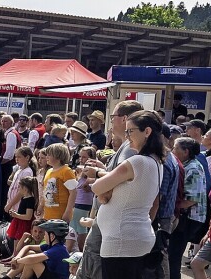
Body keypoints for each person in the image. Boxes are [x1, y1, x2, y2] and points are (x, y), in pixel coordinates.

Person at [88, 110, 164, 279]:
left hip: (121, 240)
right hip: (134, 237)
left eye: (131, 131)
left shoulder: (137, 161)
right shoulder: (156, 161)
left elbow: (97, 187)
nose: (127, 135)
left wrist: (103, 186)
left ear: (147, 131)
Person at [76, 100, 144, 279]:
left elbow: (116, 186)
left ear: (125, 119)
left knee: (94, 267)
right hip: (108, 221)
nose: (111, 121)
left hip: (111, 222)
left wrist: (97, 174)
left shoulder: (130, 149)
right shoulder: (126, 146)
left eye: (113, 117)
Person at [168, 137, 207, 279]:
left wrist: (172, 208)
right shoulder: (184, 165)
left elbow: (192, 200)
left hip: (189, 217)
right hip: (184, 216)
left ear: (185, 151)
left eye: (175, 148)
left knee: (174, 255)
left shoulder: (193, 168)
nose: (172, 151)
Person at [1, 219, 71, 279]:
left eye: (45, 234)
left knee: (33, 262)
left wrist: (17, 261)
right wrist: (17, 258)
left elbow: (31, 259)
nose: (44, 236)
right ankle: (8, 277)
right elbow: (28, 247)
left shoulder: (58, 249)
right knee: (30, 254)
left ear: (52, 236)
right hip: (52, 275)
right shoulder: (52, 246)